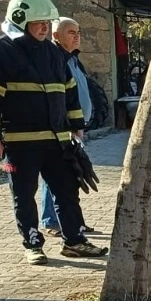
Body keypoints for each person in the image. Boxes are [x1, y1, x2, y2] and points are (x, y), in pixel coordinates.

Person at [0, 0, 108, 265]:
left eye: (47, 23)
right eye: (39, 23)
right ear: (20, 20)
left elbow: (68, 91)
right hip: (20, 142)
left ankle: (74, 241)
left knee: (67, 191)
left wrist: (76, 126)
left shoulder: (52, 52)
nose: (45, 28)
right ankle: (33, 244)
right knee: (24, 196)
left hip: (57, 141)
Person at [40, 17, 98, 236]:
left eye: (78, 32)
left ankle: (74, 221)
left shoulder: (73, 60)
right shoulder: (56, 60)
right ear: (56, 36)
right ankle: (51, 221)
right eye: (71, 32)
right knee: (57, 174)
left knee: (73, 174)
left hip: (76, 127)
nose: (77, 36)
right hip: (63, 129)